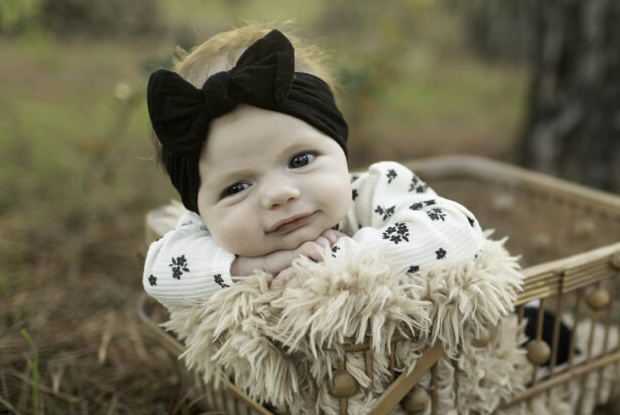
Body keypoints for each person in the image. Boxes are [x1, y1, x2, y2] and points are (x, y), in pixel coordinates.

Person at [142, 25, 485, 311]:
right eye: (236, 187)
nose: (279, 194)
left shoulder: (372, 191)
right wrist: (257, 268)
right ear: (198, 206)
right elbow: (158, 275)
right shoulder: (206, 232)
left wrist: (340, 258)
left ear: (339, 149)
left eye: (300, 160)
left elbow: (459, 231)